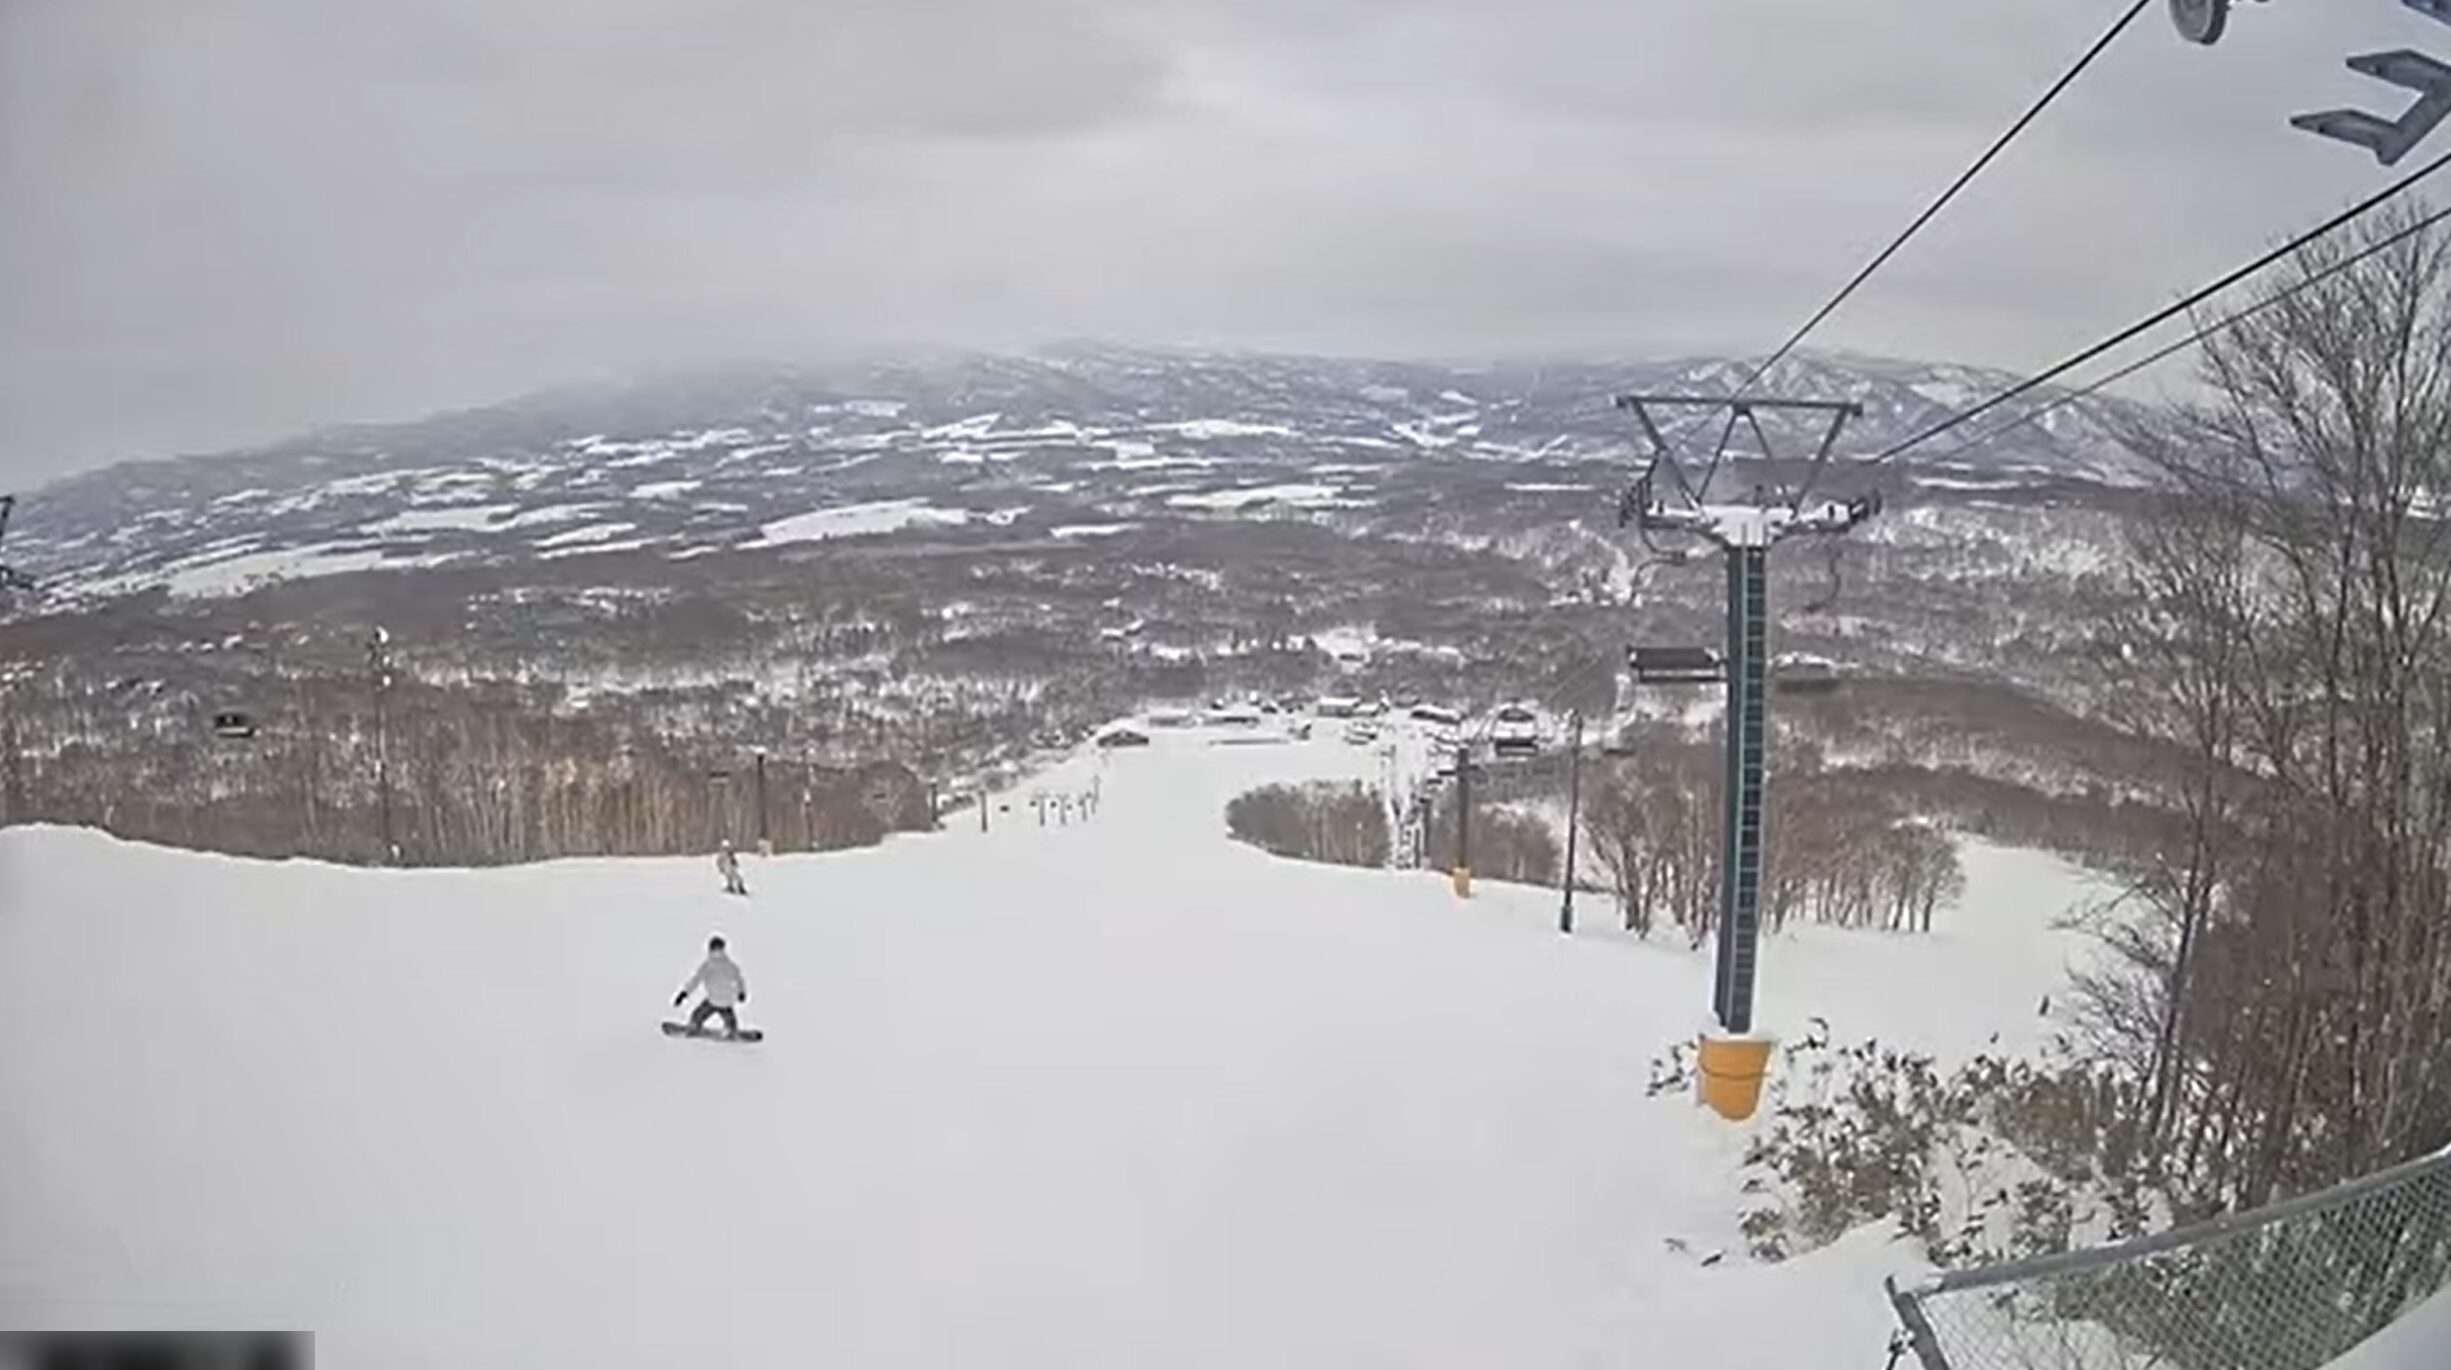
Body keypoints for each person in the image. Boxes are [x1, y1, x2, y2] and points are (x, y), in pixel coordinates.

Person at [673, 935, 749, 1037]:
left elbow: (695, 981)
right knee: (729, 1017)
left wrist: (683, 994)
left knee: (697, 1015)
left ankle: (694, 1026)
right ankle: (731, 1029)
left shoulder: (707, 965)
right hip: (727, 1001)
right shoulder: (731, 965)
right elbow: (739, 980)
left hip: (712, 1000)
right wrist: (742, 993)